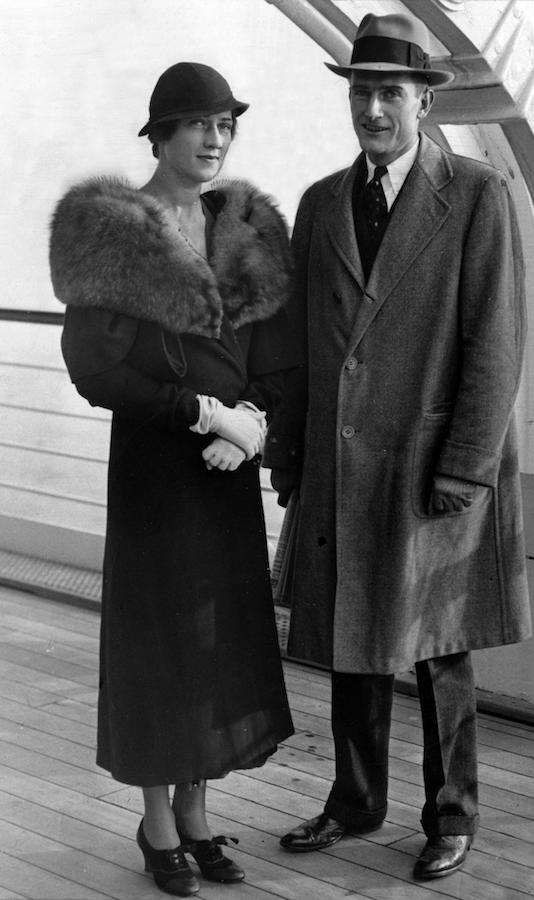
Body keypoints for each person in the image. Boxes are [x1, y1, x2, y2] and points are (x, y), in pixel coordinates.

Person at [264, 13, 531, 882]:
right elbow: (301, 344)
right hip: (343, 463)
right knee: (354, 632)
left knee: (437, 642)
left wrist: (466, 463)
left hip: (431, 461)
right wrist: (292, 458)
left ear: (424, 100)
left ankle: (452, 813)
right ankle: (354, 799)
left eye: (389, 92)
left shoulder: (478, 197)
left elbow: (495, 341)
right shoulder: (320, 204)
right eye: (361, 91)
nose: (372, 108)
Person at [49, 62, 295, 896]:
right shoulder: (113, 229)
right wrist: (199, 412)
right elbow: (93, 368)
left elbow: (276, 351)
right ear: (159, 135)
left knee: (213, 637)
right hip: (159, 467)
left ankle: (196, 814)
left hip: (228, 473)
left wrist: (254, 420)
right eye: (198, 123)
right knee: (158, 639)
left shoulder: (247, 225)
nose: (215, 138)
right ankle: (157, 824)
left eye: (226, 123)